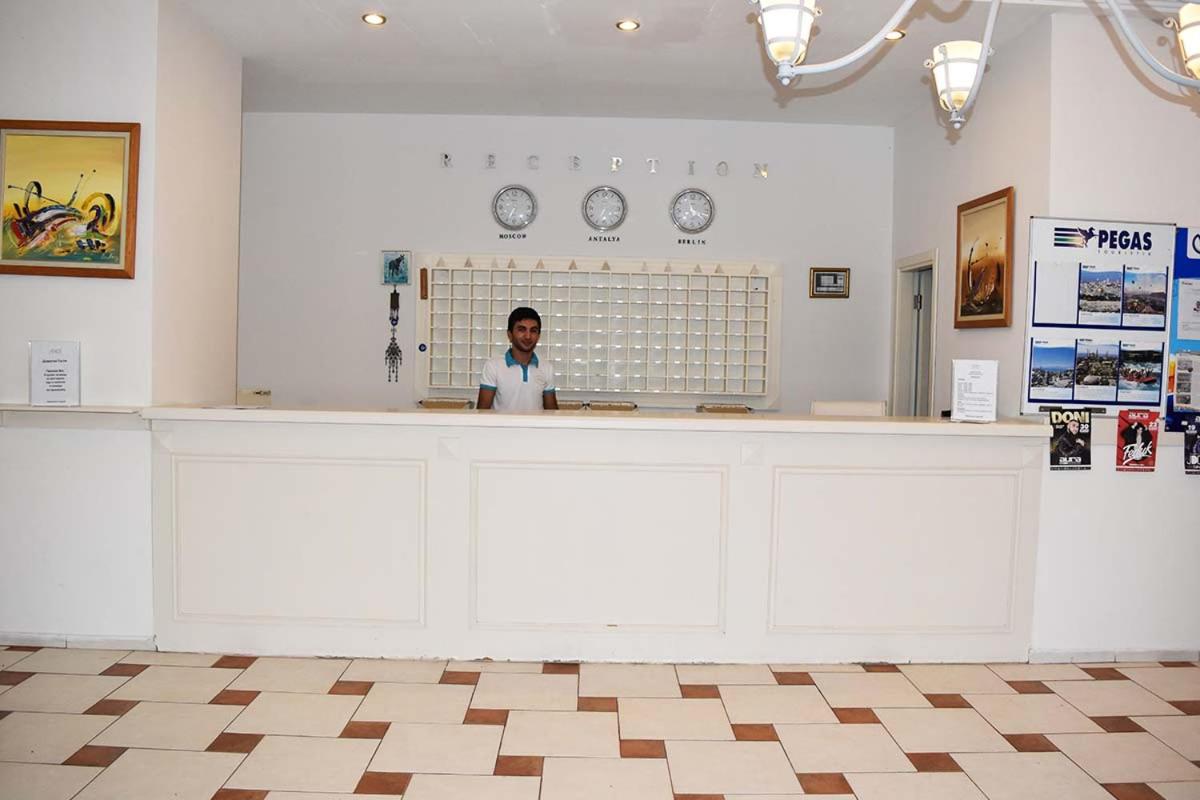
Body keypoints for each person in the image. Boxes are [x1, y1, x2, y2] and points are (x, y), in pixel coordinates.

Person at [477, 307, 558, 412]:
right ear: (510, 335)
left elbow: (552, 414)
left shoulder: (546, 367)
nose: (528, 336)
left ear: (538, 336)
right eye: (521, 330)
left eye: (533, 331)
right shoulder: (493, 366)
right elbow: (481, 413)